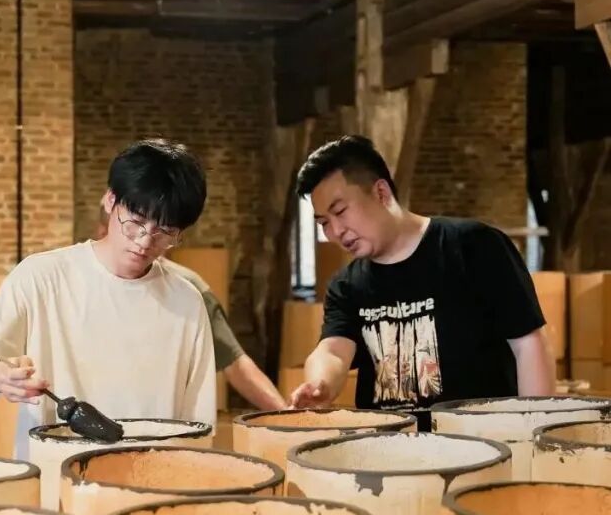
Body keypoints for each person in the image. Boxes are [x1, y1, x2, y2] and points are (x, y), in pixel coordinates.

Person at [0, 138, 216, 460]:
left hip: (152, 476)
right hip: (56, 476)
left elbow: (199, 426)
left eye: (165, 231)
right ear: (110, 200)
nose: (145, 241)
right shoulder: (43, 276)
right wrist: (2, 378)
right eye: (135, 221)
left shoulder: (186, 302)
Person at [289, 135, 554, 428]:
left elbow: (528, 344)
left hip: (484, 444)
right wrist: (320, 384)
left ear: (381, 192)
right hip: (390, 448)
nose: (335, 231)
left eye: (340, 211)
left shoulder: (473, 246)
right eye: (324, 222)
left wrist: (534, 433)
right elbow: (333, 350)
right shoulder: (347, 286)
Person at [91, 202, 286, 411]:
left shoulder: (189, 290)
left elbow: (234, 363)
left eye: (161, 232)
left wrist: (287, 416)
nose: (144, 243)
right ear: (103, 231)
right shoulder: (73, 282)